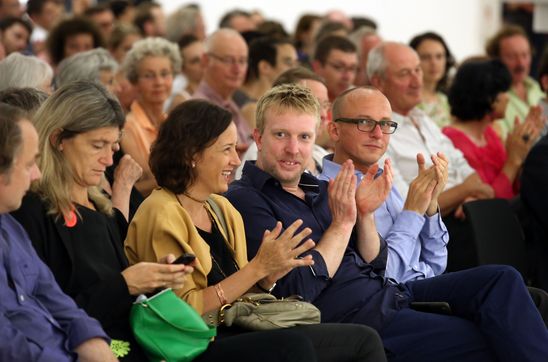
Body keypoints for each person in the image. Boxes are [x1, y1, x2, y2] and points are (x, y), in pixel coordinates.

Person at [226, 83, 548, 361]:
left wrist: (364, 216)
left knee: (503, 279)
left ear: (315, 140)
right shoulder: (248, 198)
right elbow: (298, 290)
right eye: (281, 135)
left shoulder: (320, 188)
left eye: (304, 137)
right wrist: (342, 225)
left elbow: (377, 263)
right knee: (491, 337)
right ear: (258, 136)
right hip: (358, 317)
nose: (293, 149)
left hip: (390, 296)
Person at [124, 99, 387, 362]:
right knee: (293, 347)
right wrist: (257, 268)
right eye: (226, 149)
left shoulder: (220, 208)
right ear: (193, 155)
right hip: (193, 342)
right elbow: (180, 311)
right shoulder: (161, 212)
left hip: (234, 327)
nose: (236, 160)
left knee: (363, 339)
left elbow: (244, 290)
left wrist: (269, 276)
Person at [10, 81, 190, 361]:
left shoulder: (100, 206)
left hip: (129, 342)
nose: (109, 159)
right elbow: (46, 313)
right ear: (58, 140)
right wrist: (125, 284)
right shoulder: (30, 209)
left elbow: (116, 292)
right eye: (98, 146)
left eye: (113, 146)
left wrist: (154, 280)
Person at [0, 102, 116, 361]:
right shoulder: (30, 213)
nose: (36, 175)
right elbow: (8, 345)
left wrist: (92, 340)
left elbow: (52, 296)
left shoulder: (10, 226)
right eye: (29, 164)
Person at [318, 86, 449, 282]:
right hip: (397, 299)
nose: (378, 134)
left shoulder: (382, 176)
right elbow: (389, 275)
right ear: (335, 131)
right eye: (365, 122)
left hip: (428, 286)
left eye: (386, 124)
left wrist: (430, 205)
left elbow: (437, 262)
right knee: (501, 279)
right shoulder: (328, 192)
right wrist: (412, 211)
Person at [368, 42, 494, 216]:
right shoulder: (376, 133)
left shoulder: (423, 118)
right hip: (424, 230)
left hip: (463, 213)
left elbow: (463, 166)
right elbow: (406, 204)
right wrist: (464, 191)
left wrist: (470, 196)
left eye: (418, 70)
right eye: (404, 73)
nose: (416, 81)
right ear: (378, 82)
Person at [444, 59, 539, 199]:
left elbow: (515, 187)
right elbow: (489, 201)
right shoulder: (452, 140)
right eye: (504, 91)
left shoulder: (489, 132)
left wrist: (523, 145)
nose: (508, 98)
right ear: (488, 97)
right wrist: (513, 161)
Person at [236, 67, 330, 180]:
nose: (323, 114)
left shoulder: (321, 154)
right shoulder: (259, 155)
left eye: (325, 105)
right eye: (311, 103)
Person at [120, 37, 181, 196]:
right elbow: (142, 178)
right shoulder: (127, 127)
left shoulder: (174, 123)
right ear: (135, 81)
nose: (159, 82)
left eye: (165, 73)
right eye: (149, 75)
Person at [192, 29, 253, 153]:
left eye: (242, 61)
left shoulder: (231, 103)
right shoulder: (198, 112)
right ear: (205, 61)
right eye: (228, 60)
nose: (237, 69)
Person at [486, 24, 545, 139]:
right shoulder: (494, 99)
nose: (521, 64)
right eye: (512, 57)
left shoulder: (538, 89)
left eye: (525, 55)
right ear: (496, 60)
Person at [240, 36, 299, 128]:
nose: (295, 69)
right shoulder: (250, 109)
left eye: (296, 63)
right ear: (264, 67)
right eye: (289, 63)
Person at [409, 31, 455, 128]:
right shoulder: (406, 101)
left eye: (439, 56)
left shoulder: (446, 100)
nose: (433, 63)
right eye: (425, 57)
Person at [311, 35, 358, 102]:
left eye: (352, 68)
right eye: (339, 67)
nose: (347, 77)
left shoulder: (359, 101)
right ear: (317, 67)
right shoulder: (301, 102)